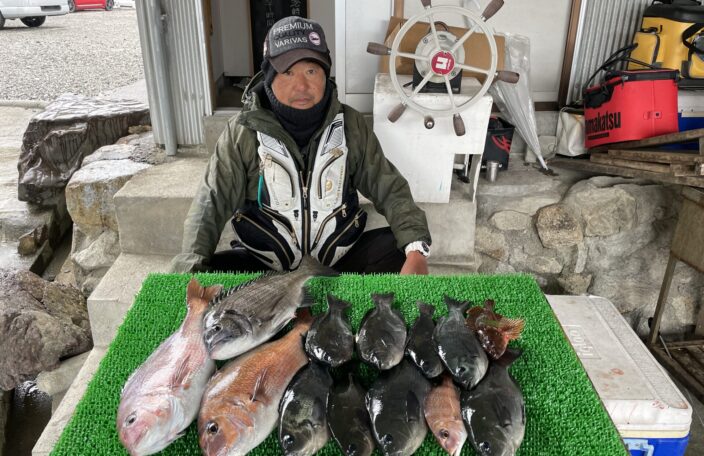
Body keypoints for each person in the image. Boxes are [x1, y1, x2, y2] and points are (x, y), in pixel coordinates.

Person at [169, 16, 431, 275]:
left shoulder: (351, 124)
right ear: (269, 75)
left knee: (402, 249)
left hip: (337, 262)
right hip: (267, 267)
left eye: (311, 71)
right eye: (288, 72)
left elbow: (389, 188)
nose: (302, 86)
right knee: (206, 270)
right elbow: (210, 202)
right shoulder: (241, 131)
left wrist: (416, 250)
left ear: (326, 73)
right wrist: (189, 268)